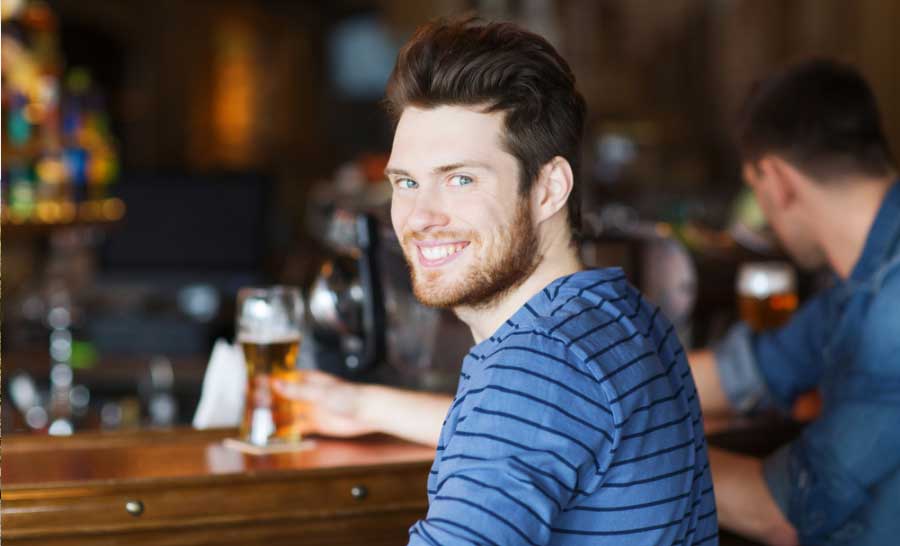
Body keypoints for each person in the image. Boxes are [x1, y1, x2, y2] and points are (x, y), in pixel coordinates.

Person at [276, 17, 717, 546]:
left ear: (549, 188)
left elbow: (527, 406)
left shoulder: (533, 368)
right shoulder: (624, 318)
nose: (419, 216)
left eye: (460, 179)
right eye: (407, 183)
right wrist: (362, 406)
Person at [688, 59, 900, 546]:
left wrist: (635, 451)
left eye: (753, 185)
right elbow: (747, 369)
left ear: (777, 179)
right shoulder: (862, 282)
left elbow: (790, 511)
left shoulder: (891, 309)